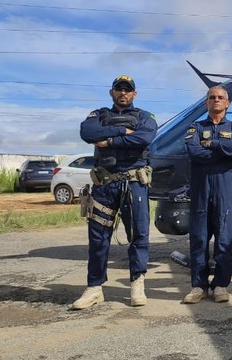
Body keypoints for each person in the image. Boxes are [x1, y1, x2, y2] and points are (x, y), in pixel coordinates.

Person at [72, 75, 157, 310]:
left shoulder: (144, 117)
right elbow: (87, 132)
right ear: (111, 93)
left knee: (138, 236)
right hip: (104, 185)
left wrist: (107, 141)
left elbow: (145, 138)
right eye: (118, 89)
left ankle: (137, 283)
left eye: (127, 90)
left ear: (134, 94)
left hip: (133, 183)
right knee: (98, 238)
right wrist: (122, 131)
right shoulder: (98, 115)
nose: (123, 93)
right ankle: (94, 288)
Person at [182, 86, 232, 304]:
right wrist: (223, 151)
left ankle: (220, 285)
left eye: (220, 98)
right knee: (199, 239)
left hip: (226, 191)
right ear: (206, 103)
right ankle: (198, 286)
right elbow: (194, 151)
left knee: (224, 239)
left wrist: (213, 144)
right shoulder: (196, 127)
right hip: (202, 190)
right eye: (212, 98)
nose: (216, 100)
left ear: (227, 103)